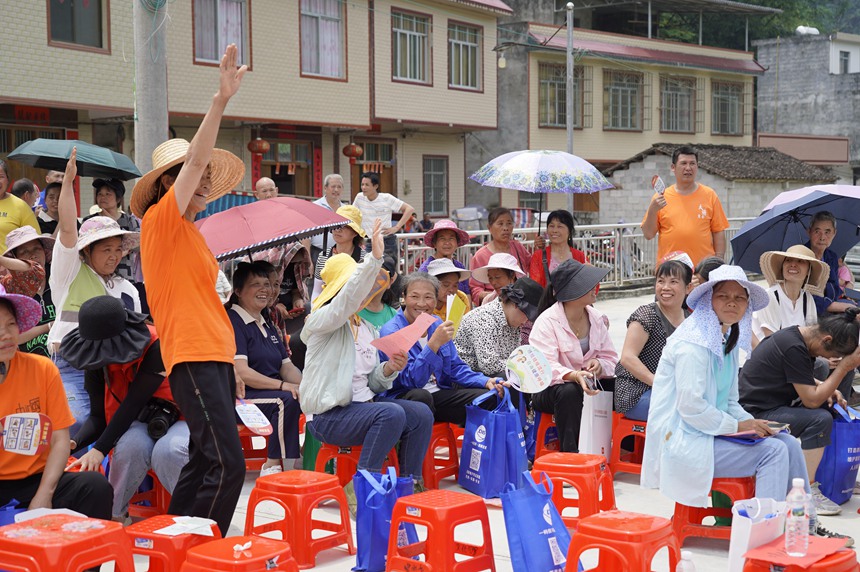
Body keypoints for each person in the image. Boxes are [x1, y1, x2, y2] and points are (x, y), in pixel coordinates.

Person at [131, 44, 247, 536]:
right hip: (192, 355)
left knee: (204, 460)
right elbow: (199, 160)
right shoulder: (161, 220)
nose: (197, 181)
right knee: (229, 465)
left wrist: (231, 363)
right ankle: (205, 551)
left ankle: (177, 545)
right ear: (165, 185)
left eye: (195, 176)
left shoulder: (192, 234)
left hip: (211, 354)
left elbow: (209, 304)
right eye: (184, 176)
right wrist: (220, 101)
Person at [641, 266, 810, 511]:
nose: (732, 303)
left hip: (709, 434)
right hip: (684, 442)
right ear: (708, 301)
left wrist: (755, 425)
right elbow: (692, 407)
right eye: (723, 296)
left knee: (788, 442)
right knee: (772, 451)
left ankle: (804, 519)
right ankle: (765, 528)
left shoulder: (725, 339)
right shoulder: (693, 344)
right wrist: (740, 426)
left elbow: (730, 402)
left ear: (747, 306)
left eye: (740, 298)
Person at [301, 220, 432, 491]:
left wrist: (388, 369)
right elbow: (344, 302)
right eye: (356, 288)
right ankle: (364, 484)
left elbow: (371, 382)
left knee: (420, 412)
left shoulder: (366, 328)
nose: (363, 294)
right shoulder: (321, 321)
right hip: (329, 416)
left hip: (361, 407)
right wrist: (374, 258)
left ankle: (410, 482)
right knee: (391, 413)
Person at [60, 296, 189, 523]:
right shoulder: (95, 356)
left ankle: (193, 517)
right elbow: (99, 417)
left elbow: (133, 402)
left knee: (168, 452)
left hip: (184, 413)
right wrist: (74, 444)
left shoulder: (156, 345)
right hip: (139, 419)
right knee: (130, 447)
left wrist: (99, 449)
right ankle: (113, 516)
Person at [0, 284, 112, 519]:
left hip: (37, 477)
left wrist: (44, 494)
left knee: (95, 487)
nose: (6, 335)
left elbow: (61, 438)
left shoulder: (41, 369)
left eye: (10, 324)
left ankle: (79, 555)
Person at [739, 310, 860, 528]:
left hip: (771, 404)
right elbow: (811, 401)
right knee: (820, 418)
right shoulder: (793, 346)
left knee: (827, 403)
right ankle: (807, 489)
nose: (829, 359)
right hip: (755, 413)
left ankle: (822, 477)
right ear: (826, 339)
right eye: (831, 353)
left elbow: (798, 375)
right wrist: (843, 368)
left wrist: (823, 386)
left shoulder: (796, 338)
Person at [50, 151, 141, 435]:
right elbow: (67, 228)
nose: (114, 256)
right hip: (72, 367)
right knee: (76, 422)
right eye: (105, 249)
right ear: (87, 251)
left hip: (115, 372)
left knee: (124, 429)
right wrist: (68, 183)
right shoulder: (71, 271)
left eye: (118, 249)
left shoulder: (127, 290)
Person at [379, 272, 508, 426]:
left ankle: (477, 445)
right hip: (405, 397)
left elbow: (455, 367)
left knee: (491, 395)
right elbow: (411, 381)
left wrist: (485, 381)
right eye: (414, 297)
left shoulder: (436, 323)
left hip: (439, 393)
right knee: (421, 397)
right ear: (404, 297)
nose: (421, 304)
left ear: (436, 299)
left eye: (428, 297)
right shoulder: (392, 331)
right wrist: (432, 345)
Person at [529, 259, 618, 452]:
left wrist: (600, 364)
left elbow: (611, 358)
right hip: (550, 389)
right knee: (569, 391)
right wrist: (574, 375)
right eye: (587, 285)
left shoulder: (596, 318)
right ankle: (570, 453)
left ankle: (617, 448)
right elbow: (544, 367)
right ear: (571, 293)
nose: (594, 288)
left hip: (588, 383)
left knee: (622, 385)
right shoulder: (547, 322)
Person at [227, 261, 302, 477]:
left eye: (267, 284)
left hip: (269, 393)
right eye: (256, 284)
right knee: (285, 399)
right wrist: (283, 385)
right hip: (241, 398)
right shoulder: (233, 320)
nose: (265, 290)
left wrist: (307, 384)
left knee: (307, 393)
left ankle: (303, 456)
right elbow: (242, 373)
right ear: (238, 291)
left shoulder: (267, 320)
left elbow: (286, 367)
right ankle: (273, 464)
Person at [615, 260, 692, 421]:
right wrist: (661, 383)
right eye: (661, 281)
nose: (665, 287)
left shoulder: (690, 320)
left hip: (676, 391)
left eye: (673, 282)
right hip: (637, 392)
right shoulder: (646, 315)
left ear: (688, 288)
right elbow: (628, 358)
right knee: (687, 411)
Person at [640, 146, 729, 266]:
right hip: (671, 271)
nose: (688, 168)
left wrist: (718, 262)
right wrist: (652, 210)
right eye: (683, 163)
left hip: (702, 271)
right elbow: (648, 234)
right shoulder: (660, 198)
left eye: (692, 163)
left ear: (697, 166)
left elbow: (718, 231)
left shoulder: (710, 195)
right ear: (673, 167)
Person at [454, 277, 543, 378]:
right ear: (516, 305)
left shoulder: (514, 322)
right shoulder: (485, 318)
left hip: (483, 377)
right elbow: (489, 365)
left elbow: (513, 356)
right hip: (464, 377)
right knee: (512, 376)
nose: (526, 321)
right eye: (527, 315)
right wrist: (523, 365)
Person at [752, 245, 828, 346]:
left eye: (800, 261)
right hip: (771, 356)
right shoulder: (769, 296)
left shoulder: (807, 298)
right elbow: (771, 339)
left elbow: (812, 334)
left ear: (808, 271)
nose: (793, 264)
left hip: (797, 353)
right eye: (788, 260)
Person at [3, 227, 55, 357]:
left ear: (44, 251)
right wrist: (48, 326)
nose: (33, 255)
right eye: (24, 252)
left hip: (64, 357)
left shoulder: (60, 277)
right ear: (14, 258)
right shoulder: (8, 287)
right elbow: (15, 337)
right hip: (28, 361)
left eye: (36, 248)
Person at [82, 178, 141, 283]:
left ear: (118, 199)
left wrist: (114, 224)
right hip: (96, 276)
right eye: (100, 194)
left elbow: (140, 244)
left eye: (108, 194)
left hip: (125, 277)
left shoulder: (130, 220)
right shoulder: (90, 220)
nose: (103, 197)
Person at [469, 208, 531, 306]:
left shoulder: (518, 247)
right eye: (500, 224)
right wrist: (496, 296)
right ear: (489, 228)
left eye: (509, 223)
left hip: (520, 302)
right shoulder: (480, 256)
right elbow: (475, 289)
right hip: (493, 304)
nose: (505, 228)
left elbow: (532, 266)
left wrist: (538, 249)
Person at [352, 171, 415, 261]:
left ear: (375, 186)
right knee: (370, 271)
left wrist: (396, 227)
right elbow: (353, 214)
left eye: (367, 185)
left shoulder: (386, 198)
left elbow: (409, 209)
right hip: (369, 241)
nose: (363, 187)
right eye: (362, 184)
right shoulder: (359, 197)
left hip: (387, 241)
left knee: (388, 271)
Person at [312, 205, 365, 300]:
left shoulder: (364, 259)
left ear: (355, 232)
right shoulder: (323, 256)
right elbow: (317, 291)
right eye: (336, 224)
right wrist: (314, 311)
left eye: (344, 226)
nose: (338, 229)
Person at [806, 212, 854, 315]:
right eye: (817, 231)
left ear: (834, 233)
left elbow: (835, 288)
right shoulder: (800, 257)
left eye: (827, 232)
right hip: (810, 310)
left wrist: (844, 298)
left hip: (831, 304)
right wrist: (839, 306)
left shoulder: (831, 257)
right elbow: (804, 296)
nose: (822, 237)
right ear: (809, 231)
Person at [528, 210, 588, 288]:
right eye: (551, 226)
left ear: (569, 231)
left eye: (560, 226)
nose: (555, 231)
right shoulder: (538, 256)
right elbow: (534, 287)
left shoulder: (580, 256)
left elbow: (591, 288)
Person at [418, 219, 471, 297]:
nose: (447, 243)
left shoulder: (459, 267)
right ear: (434, 243)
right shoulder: (426, 269)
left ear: (457, 243)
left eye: (451, 238)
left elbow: (467, 294)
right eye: (442, 239)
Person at [0, 159, 40, 252]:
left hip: (12, 265)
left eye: (0, 176)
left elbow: (36, 242)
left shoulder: (21, 206)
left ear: (7, 179)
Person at [310, 174, 347, 266]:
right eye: (333, 186)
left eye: (339, 187)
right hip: (317, 253)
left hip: (340, 255)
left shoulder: (346, 209)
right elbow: (306, 237)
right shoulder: (314, 207)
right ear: (325, 188)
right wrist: (308, 260)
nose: (336, 190)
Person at [357, 255, 399, 331]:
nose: (371, 281)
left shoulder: (394, 316)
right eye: (366, 275)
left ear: (390, 281)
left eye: (378, 276)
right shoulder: (350, 312)